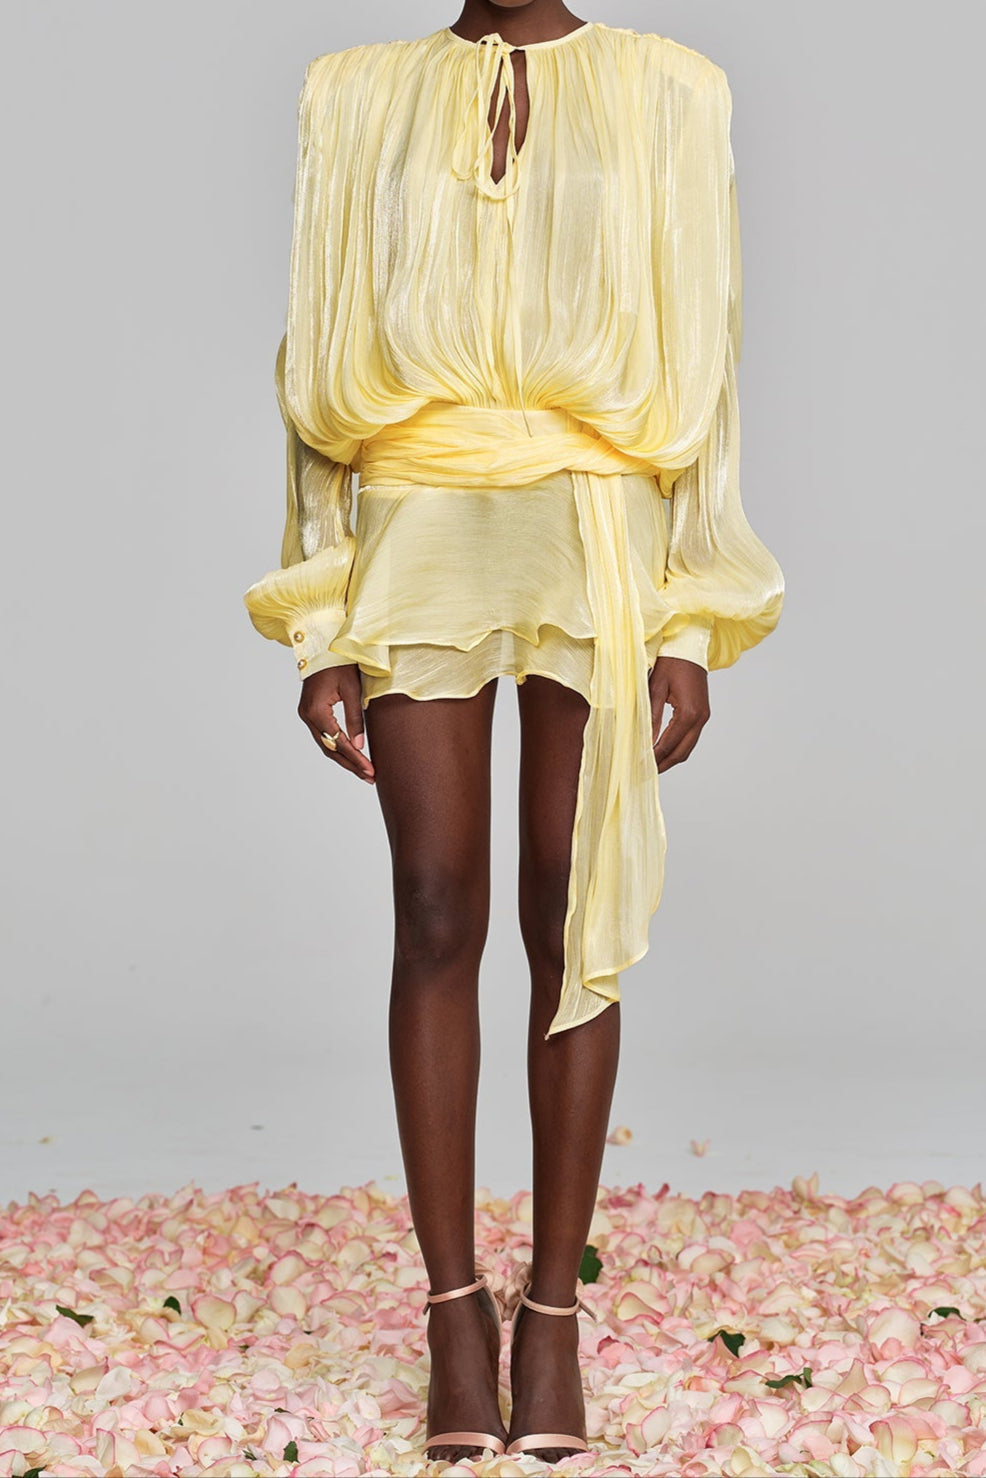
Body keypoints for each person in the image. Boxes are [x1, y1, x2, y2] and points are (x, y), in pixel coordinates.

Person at [242, 0, 784, 1462]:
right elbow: (314, 369)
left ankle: (551, 1314)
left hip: (596, 525)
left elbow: (705, 360)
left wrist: (688, 617)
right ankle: (451, 1314)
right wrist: (321, 616)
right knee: (434, 902)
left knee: (565, 901)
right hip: (417, 517)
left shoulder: (670, 89)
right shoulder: (353, 94)